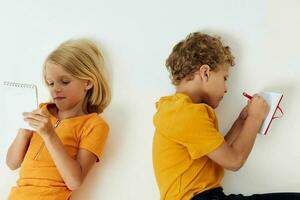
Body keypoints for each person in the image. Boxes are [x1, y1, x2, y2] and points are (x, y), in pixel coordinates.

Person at [152, 32, 300, 200]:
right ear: (205, 72)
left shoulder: (177, 111)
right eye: (224, 78)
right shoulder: (186, 114)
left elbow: (220, 153)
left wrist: (241, 121)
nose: (226, 88)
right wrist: (255, 118)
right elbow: (234, 161)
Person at [6, 38, 111, 200]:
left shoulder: (94, 125)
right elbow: (12, 163)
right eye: (50, 83)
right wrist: (24, 130)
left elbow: (75, 181)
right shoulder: (41, 111)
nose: (56, 89)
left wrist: (49, 135)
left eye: (65, 81)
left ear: (88, 82)